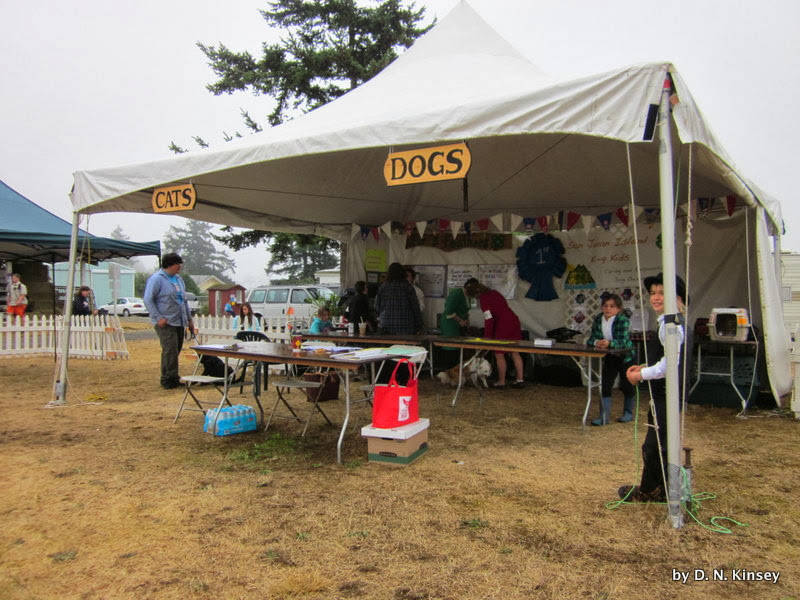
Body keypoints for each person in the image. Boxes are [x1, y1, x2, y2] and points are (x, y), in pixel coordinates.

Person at [618, 273, 686, 503]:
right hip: (663, 393)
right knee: (657, 442)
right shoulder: (666, 322)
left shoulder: (671, 325)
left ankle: (654, 489)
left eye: (661, 293)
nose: (655, 298)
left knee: (656, 444)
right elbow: (666, 359)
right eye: (653, 293)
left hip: (667, 394)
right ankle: (659, 487)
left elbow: (670, 365)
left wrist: (641, 375)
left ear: (675, 297)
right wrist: (647, 366)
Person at [143, 253, 195, 390]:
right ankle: (168, 379)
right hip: (165, 322)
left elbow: (184, 301)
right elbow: (148, 299)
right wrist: (158, 317)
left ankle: (171, 375)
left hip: (179, 320)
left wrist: (189, 320)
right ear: (170, 264)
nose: (180, 267)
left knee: (175, 349)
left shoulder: (179, 280)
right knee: (169, 349)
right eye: (178, 264)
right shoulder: (156, 279)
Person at [463, 278, 525, 389]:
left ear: (474, 294)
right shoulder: (495, 293)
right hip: (514, 321)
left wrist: (487, 337)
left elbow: (489, 319)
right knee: (515, 352)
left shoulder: (484, 299)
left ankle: (501, 382)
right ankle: (520, 380)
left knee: (499, 354)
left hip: (503, 325)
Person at [586, 293, 636, 425]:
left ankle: (628, 413)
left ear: (618, 308)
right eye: (605, 306)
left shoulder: (622, 319)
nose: (608, 309)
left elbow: (624, 341)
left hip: (625, 356)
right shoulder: (598, 319)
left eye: (612, 306)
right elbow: (592, 338)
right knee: (606, 384)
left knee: (627, 385)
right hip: (609, 356)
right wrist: (597, 342)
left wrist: (609, 343)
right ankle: (604, 417)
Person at [375, 262, 422, 335]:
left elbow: (377, 307)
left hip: (386, 326)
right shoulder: (408, 287)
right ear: (402, 273)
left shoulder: (383, 287)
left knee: (387, 346)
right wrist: (419, 325)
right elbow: (415, 308)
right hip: (406, 327)